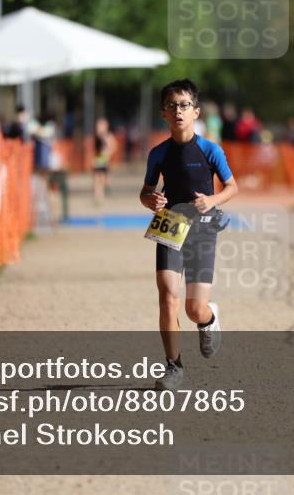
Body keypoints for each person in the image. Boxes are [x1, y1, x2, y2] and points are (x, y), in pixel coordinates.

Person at [140, 78, 238, 390]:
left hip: (203, 228)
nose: (178, 111)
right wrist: (151, 200)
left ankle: (208, 319)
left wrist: (212, 200)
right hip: (170, 223)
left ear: (196, 112)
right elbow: (145, 192)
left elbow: (232, 187)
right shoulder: (158, 153)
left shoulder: (211, 150)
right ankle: (173, 367)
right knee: (167, 296)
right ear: (163, 114)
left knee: (193, 308)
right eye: (172, 106)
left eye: (184, 105)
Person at [92, 117, 116, 204]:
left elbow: (113, 146)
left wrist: (108, 152)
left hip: (104, 161)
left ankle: (103, 194)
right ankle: (98, 197)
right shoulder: (97, 137)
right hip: (98, 160)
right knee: (96, 179)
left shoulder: (108, 136)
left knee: (103, 179)